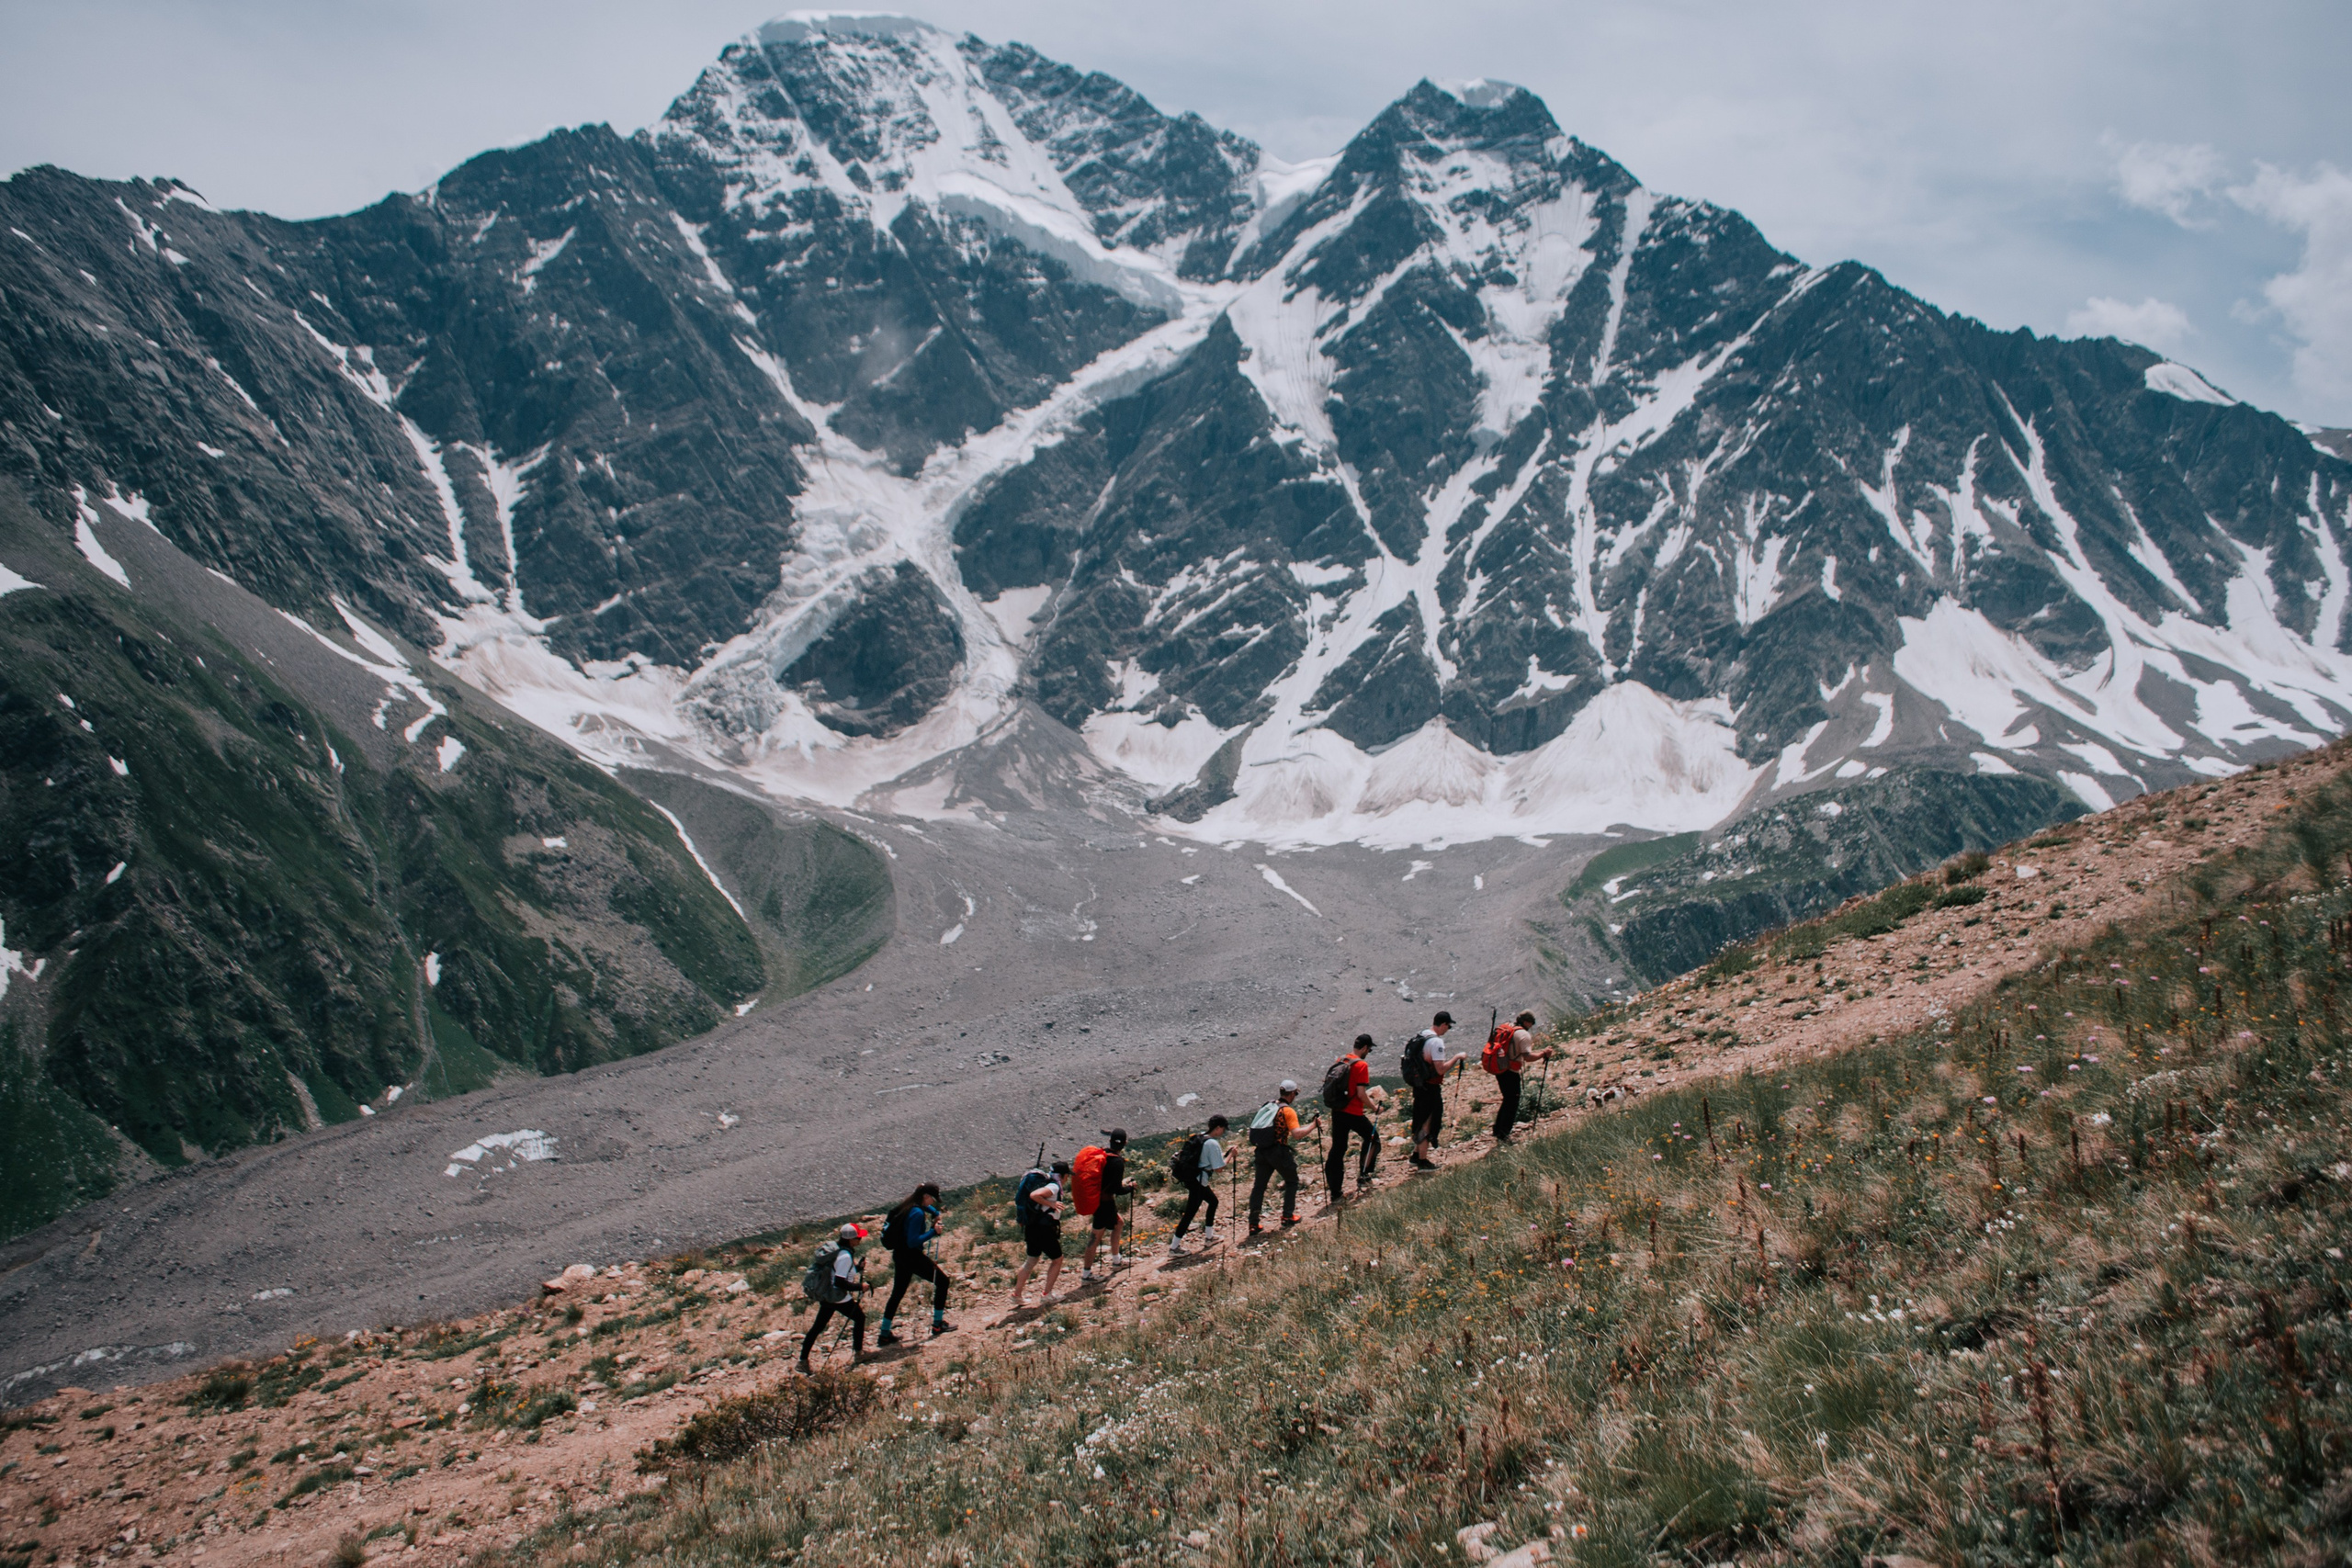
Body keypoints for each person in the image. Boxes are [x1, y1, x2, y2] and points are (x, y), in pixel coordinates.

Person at [876, 1181, 953, 1345]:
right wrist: (933, 1231)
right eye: (932, 1199)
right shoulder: (917, 1213)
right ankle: (938, 1324)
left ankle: (884, 1334)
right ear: (925, 1196)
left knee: (897, 1293)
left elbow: (927, 1208)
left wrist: (935, 1213)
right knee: (942, 1281)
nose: (932, 1202)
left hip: (900, 1255)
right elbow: (912, 1241)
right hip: (911, 1256)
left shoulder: (909, 1204)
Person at [1248, 1081, 1319, 1235]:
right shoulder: (1288, 1111)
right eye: (1296, 1094)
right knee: (1292, 1181)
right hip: (1278, 1151)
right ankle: (1287, 1216)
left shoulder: (1269, 1106)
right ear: (1292, 1093)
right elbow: (1297, 1134)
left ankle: (1253, 1223)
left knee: (1259, 1187)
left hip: (1261, 1151)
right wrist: (1313, 1125)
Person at [797, 1223, 869, 1372]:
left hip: (827, 1295)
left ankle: (802, 1361)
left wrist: (857, 1268)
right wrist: (860, 1287)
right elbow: (840, 1282)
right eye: (858, 1238)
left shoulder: (838, 1251)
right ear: (851, 1240)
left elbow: (840, 1273)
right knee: (860, 1318)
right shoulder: (845, 1256)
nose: (860, 1240)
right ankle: (858, 1354)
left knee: (817, 1327)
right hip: (838, 1297)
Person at [1010, 1159, 1070, 1308]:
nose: (1068, 1179)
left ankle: (1017, 1295)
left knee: (1031, 1260)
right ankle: (1047, 1295)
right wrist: (1051, 1204)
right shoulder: (1053, 1186)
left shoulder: (1046, 1182)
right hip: (1044, 1229)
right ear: (1062, 1176)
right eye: (1067, 1176)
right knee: (1057, 1259)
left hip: (1032, 1227)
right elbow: (1035, 1195)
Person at [1323, 1034, 1378, 1199]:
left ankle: (1335, 1191)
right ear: (1364, 1048)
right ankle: (1365, 1175)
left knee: (1338, 1148)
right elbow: (1361, 1094)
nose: (1368, 1052)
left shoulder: (1342, 1059)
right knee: (1373, 1138)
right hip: (1353, 1112)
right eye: (1369, 1050)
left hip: (1337, 1111)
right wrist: (1374, 1108)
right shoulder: (1361, 1065)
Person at [1408, 1010, 1463, 1170]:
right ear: (1443, 1024)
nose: (1448, 1030)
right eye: (1449, 1026)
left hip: (1419, 1085)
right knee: (1428, 1122)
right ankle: (1423, 1161)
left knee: (1420, 1118)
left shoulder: (1422, 1035)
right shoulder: (1436, 1042)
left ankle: (1416, 1155)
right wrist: (1457, 1057)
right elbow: (1440, 1069)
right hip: (1430, 1087)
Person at [1080, 1130, 1136, 1281]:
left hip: (1096, 1201)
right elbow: (1117, 1190)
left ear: (1110, 1141)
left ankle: (1116, 1261)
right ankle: (1087, 1274)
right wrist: (1130, 1187)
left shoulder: (1102, 1155)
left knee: (1118, 1223)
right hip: (1106, 1204)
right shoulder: (1117, 1162)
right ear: (1125, 1143)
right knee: (1095, 1237)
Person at [1169, 1116, 1228, 1254]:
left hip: (1192, 1178)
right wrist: (1231, 1155)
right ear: (1218, 1128)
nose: (1223, 1132)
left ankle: (1209, 1237)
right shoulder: (1212, 1143)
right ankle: (1174, 1248)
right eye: (1223, 1129)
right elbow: (1219, 1169)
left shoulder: (1200, 1137)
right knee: (1190, 1213)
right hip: (1199, 1182)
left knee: (1213, 1202)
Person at [1491, 1011, 1552, 1144]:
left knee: (1507, 1099)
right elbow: (1528, 1057)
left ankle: (1497, 1130)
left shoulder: (1507, 1027)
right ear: (1526, 1022)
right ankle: (1504, 1135)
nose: (1531, 1026)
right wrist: (1543, 1053)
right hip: (1511, 1072)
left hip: (1499, 1068)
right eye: (1531, 1023)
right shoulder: (1523, 1034)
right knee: (1512, 1102)